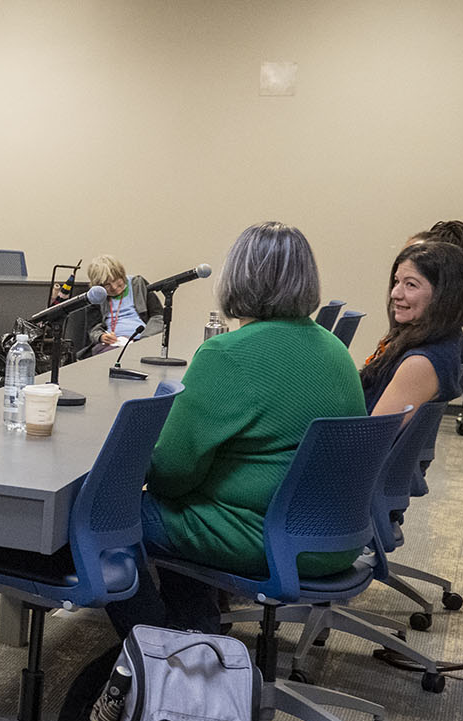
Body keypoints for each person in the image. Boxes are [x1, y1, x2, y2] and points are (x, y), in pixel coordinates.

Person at [105, 222, 366, 637]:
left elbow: (171, 475)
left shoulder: (227, 354)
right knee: (189, 504)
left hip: (270, 538)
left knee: (108, 517)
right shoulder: (335, 350)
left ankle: (158, 657)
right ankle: (198, 630)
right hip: (335, 536)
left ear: (237, 278)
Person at [360, 240, 463, 417]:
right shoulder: (445, 338)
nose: (395, 293)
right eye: (397, 281)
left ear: (445, 295)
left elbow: (370, 437)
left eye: (411, 284)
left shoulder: (420, 363)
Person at [86, 253, 146, 346]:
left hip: (141, 339)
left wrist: (146, 338)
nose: (114, 287)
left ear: (122, 274)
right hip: (112, 343)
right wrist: (101, 336)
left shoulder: (137, 284)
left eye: (115, 280)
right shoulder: (96, 296)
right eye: (107, 285)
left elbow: (157, 316)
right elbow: (92, 328)